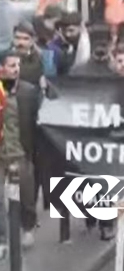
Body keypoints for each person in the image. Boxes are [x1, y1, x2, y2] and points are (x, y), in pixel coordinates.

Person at [0, 49, 40, 251]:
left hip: (20, 152)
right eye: (12, 65)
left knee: (26, 195)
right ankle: (3, 239)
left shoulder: (29, 91)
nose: (16, 69)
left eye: (18, 65)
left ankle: (28, 227)